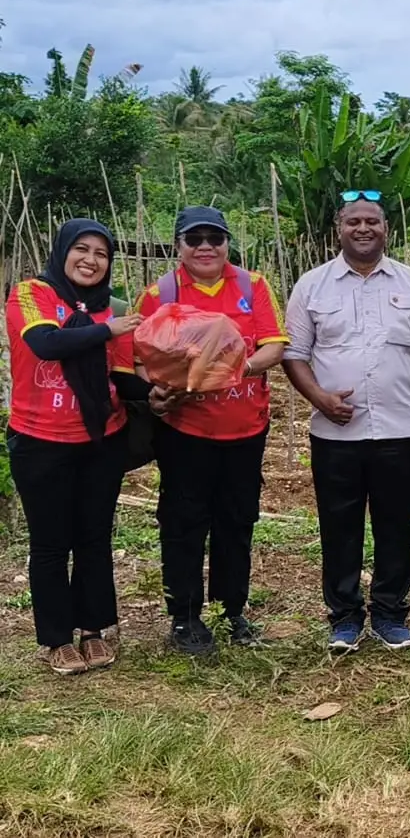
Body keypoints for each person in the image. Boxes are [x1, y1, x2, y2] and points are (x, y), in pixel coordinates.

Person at [283, 191, 410, 652]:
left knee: (396, 525)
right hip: (334, 432)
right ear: (339, 228)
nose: (363, 229)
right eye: (354, 221)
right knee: (339, 525)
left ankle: (391, 615)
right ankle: (345, 617)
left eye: (372, 221)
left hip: (398, 428)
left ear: (386, 228)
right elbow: (294, 355)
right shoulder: (311, 286)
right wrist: (319, 398)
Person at [136, 206, 288, 655]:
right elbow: (142, 359)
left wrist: (228, 369)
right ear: (178, 245)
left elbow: (275, 344)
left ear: (227, 244)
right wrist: (164, 387)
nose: (206, 246)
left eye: (215, 238)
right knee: (183, 523)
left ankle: (231, 609)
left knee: (237, 521)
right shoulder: (159, 293)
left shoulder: (252, 286)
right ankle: (184, 617)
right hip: (187, 431)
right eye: (194, 238)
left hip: (245, 428)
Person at [5, 219, 146, 674]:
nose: (90, 260)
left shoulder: (113, 307)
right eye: (81, 250)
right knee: (50, 542)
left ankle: (94, 629)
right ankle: (56, 639)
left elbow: (121, 378)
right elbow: (45, 343)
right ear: (63, 252)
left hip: (101, 440)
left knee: (93, 537)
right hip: (40, 439)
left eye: (101, 254)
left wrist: (167, 388)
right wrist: (110, 330)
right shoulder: (32, 294)